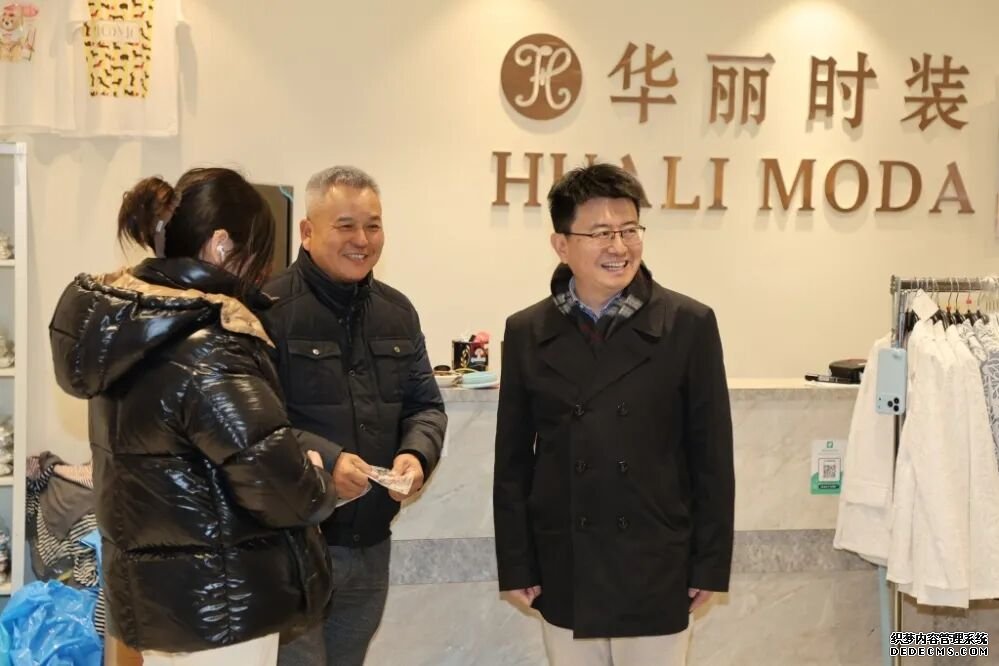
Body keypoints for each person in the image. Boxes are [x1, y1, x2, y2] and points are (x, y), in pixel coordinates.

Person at [49, 167, 341, 666]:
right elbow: (279, 486)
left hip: (157, 604)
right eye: (258, 254)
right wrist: (317, 479)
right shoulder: (209, 345)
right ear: (222, 245)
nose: (262, 272)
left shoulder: (129, 329)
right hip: (223, 609)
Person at [493, 163, 735, 666]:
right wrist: (517, 563)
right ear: (561, 244)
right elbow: (513, 462)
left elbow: (712, 456)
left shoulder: (688, 324)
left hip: (655, 560)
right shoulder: (526, 331)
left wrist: (709, 564)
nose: (619, 247)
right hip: (566, 561)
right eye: (601, 233)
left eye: (629, 230)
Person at [267, 166, 447, 666]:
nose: (362, 240)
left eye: (373, 225)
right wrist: (328, 459)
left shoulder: (397, 312)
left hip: (370, 545)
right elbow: (256, 427)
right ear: (307, 232)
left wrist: (416, 454)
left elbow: (425, 406)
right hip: (293, 547)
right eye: (345, 226)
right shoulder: (268, 309)